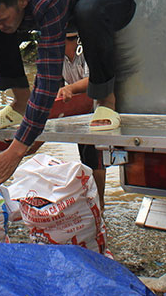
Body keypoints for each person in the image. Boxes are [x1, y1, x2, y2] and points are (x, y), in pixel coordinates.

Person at [0, 0, 136, 192]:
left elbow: (48, 76)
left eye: (1, 17)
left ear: (22, 1)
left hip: (112, 0)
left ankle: (106, 99)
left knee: (89, 10)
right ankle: (20, 103)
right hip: (70, 2)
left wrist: (16, 151)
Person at [55, 31, 107, 209]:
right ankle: (92, 201)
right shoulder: (58, 56)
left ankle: (100, 203)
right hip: (77, 109)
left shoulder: (85, 50)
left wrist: (69, 88)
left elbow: (94, 79)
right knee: (84, 154)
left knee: (94, 155)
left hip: (96, 106)